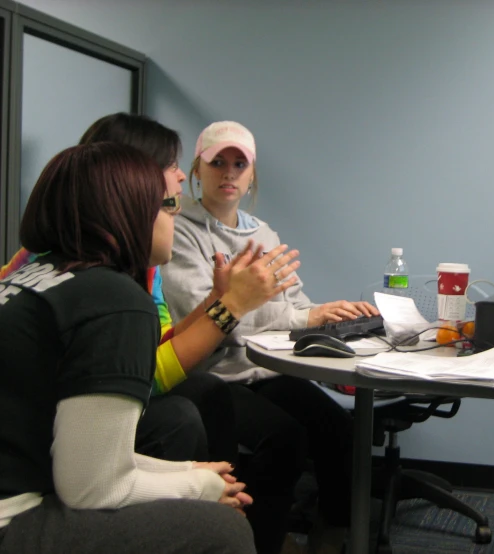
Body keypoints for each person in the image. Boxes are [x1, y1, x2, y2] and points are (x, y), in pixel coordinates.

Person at [0, 142, 262, 553]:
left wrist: (188, 470)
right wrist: (198, 486)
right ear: (127, 211)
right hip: (11, 517)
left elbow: (83, 447)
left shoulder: (35, 275)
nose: (173, 219)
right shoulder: (114, 298)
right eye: (166, 207)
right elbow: (92, 486)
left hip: (28, 476)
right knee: (222, 529)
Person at [0, 113, 302, 469]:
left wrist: (215, 300)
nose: (178, 179)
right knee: (179, 418)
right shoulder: (104, 288)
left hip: (60, 414)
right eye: (169, 167)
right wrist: (231, 306)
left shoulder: (136, 267)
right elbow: (146, 374)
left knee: (211, 395)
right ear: (122, 177)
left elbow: (154, 343)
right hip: (37, 446)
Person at [160, 121, 380, 554]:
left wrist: (323, 317)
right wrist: (299, 318)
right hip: (210, 371)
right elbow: (206, 318)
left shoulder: (263, 233)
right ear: (197, 170)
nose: (228, 173)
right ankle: (262, 541)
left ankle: (332, 535)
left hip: (264, 367)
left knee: (339, 429)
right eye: (217, 162)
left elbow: (294, 304)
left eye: (239, 164)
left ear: (252, 174)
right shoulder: (178, 228)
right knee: (284, 438)